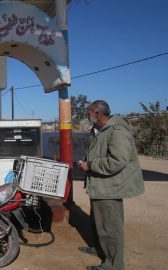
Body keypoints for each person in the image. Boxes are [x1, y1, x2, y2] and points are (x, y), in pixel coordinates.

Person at [77, 100, 145, 270]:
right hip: (100, 186)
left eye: (89, 113)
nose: (87, 116)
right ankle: (99, 249)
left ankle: (113, 265)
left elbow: (118, 161)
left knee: (110, 227)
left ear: (97, 114)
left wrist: (90, 165)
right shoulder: (100, 130)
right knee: (99, 223)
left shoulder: (117, 131)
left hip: (109, 188)